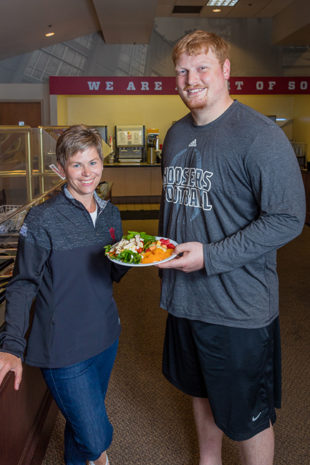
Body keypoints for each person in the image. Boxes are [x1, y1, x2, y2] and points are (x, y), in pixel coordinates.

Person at [157, 30, 306, 465]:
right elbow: (181, 210)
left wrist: (211, 256)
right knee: (199, 390)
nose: (191, 79)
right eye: (182, 70)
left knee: (247, 416)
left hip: (238, 307)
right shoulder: (175, 134)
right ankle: (209, 461)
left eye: (202, 67)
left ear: (225, 71)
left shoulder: (260, 136)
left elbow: (287, 218)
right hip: (184, 299)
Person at [0, 125, 127, 465]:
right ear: (60, 168)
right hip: (63, 347)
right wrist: (11, 345)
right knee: (96, 435)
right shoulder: (43, 218)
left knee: (78, 425)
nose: (87, 173)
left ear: (102, 163)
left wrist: (131, 258)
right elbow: (24, 282)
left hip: (105, 335)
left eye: (93, 162)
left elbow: (112, 271)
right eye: (77, 165)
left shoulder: (111, 214)